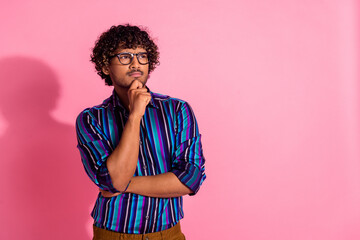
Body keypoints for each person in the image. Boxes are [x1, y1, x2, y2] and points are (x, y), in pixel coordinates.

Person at [75, 24, 206, 239]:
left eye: (142, 56)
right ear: (105, 66)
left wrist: (122, 186)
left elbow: (190, 179)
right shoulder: (90, 119)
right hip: (112, 235)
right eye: (125, 56)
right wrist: (135, 116)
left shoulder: (177, 110)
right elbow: (111, 179)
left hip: (169, 235)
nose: (136, 63)